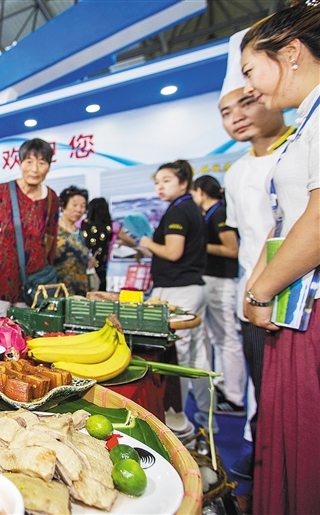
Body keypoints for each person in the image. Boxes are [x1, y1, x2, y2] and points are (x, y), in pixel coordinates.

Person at [240, 3, 320, 512]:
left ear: (290, 53)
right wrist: (259, 282)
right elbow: (287, 218)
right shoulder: (305, 123)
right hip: (294, 314)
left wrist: (260, 290)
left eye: (252, 71)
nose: (250, 89)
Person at [216, 27, 294, 490]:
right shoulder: (237, 170)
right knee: (261, 387)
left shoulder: (297, 149)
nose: (238, 117)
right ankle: (264, 458)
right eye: (227, 112)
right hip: (251, 294)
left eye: (247, 102)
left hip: (288, 294)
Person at [139, 160, 215, 431]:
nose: (160, 186)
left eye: (167, 180)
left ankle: (176, 417)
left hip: (179, 292)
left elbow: (173, 253)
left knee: (177, 357)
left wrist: (147, 242)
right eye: (157, 181)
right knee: (197, 356)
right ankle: (207, 417)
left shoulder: (179, 211)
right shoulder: (187, 208)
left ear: (184, 183)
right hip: (191, 287)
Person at [191, 175, 247, 416]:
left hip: (221, 280)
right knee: (217, 338)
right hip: (211, 279)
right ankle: (222, 386)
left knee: (227, 337)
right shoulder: (210, 214)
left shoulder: (219, 213)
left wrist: (195, 246)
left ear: (201, 191)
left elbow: (231, 249)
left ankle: (235, 396)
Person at [0, 138, 60, 304]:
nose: (35, 169)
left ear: (49, 166)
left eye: (42, 163)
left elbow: (51, 240)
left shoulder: (51, 198)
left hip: (34, 284)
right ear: (20, 163)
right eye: (29, 162)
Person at [80, 197, 137, 291]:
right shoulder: (113, 226)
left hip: (83, 266)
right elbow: (132, 242)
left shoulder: (81, 224)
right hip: (102, 266)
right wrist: (119, 242)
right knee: (100, 294)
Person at [54, 186, 90, 296]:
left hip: (80, 292)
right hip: (58, 291)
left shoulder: (79, 233)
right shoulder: (53, 230)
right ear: (63, 206)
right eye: (74, 205)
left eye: (82, 206)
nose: (79, 209)